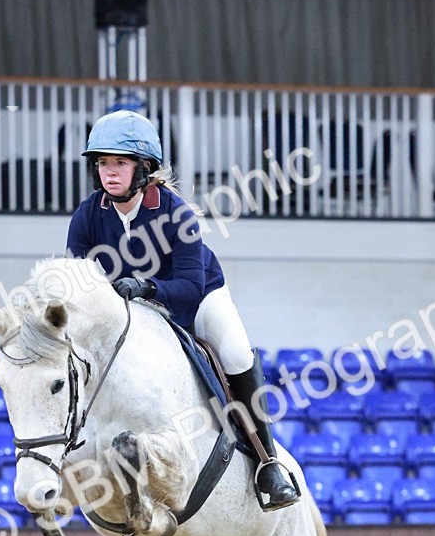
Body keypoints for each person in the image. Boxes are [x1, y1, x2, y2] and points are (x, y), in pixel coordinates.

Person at [67, 109, 299, 510]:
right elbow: (77, 283)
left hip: (196, 298)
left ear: (144, 168)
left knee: (237, 353)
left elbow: (190, 289)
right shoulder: (88, 216)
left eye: (120, 162)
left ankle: (268, 464)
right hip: (131, 313)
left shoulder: (177, 214)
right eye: (103, 163)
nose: (109, 172)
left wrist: (146, 287)